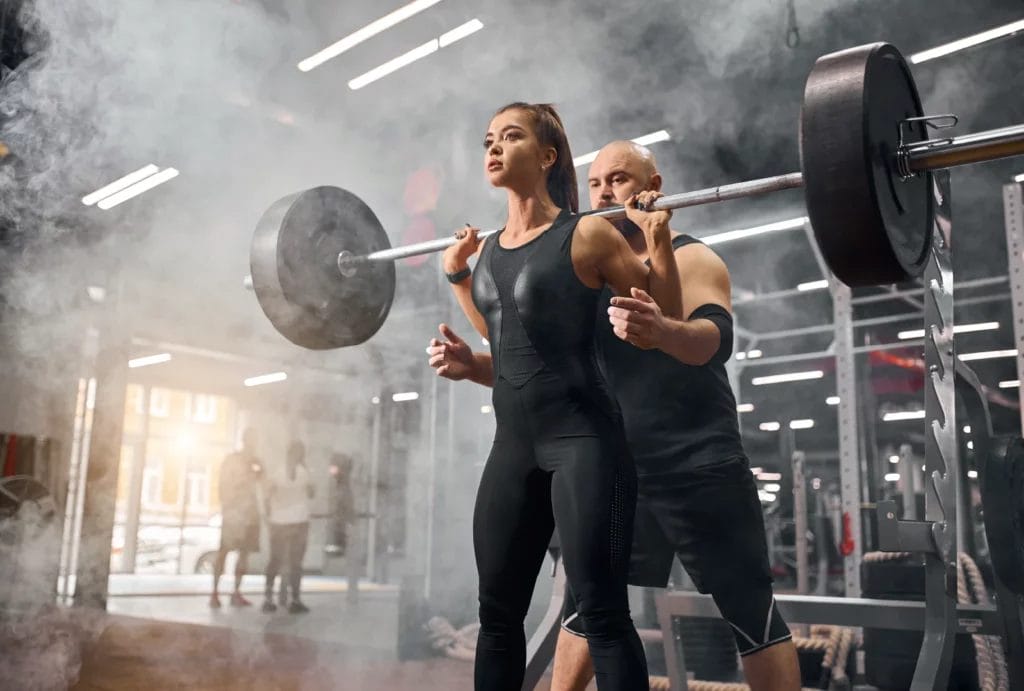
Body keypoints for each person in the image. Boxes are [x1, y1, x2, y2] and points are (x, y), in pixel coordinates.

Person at [429, 140, 801, 691]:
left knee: (751, 612)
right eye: (597, 182)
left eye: (620, 180)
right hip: (615, 464)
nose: (604, 192)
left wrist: (664, 330)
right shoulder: (586, 270)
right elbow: (549, 371)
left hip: (698, 465)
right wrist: (475, 365)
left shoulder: (694, 257)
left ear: (654, 187)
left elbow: (711, 343)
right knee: (587, 607)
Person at [439, 102, 683, 691]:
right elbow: (501, 333)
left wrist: (657, 237)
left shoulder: (587, 234)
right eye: (488, 138)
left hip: (584, 443)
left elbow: (668, 317)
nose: (493, 148)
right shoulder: (491, 248)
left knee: (601, 614)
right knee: (497, 617)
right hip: (514, 448)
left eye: (511, 137)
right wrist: (456, 276)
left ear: (547, 156)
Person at [210, 427, 262, 609]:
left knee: (244, 554)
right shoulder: (232, 461)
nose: (254, 444)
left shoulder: (256, 462)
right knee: (223, 552)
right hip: (233, 515)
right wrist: (229, 506)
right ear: (245, 440)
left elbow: (261, 483)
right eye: (252, 440)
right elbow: (223, 486)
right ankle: (214, 593)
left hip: (250, 515)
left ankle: (236, 592)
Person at [262, 440, 314, 615]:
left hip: (286, 521)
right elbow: (311, 493)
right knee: (291, 562)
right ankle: (292, 599)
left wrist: (270, 515)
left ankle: (274, 598)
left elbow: (267, 495)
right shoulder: (291, 471)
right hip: (293, 522)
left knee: (282, 561)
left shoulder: (294, 471)